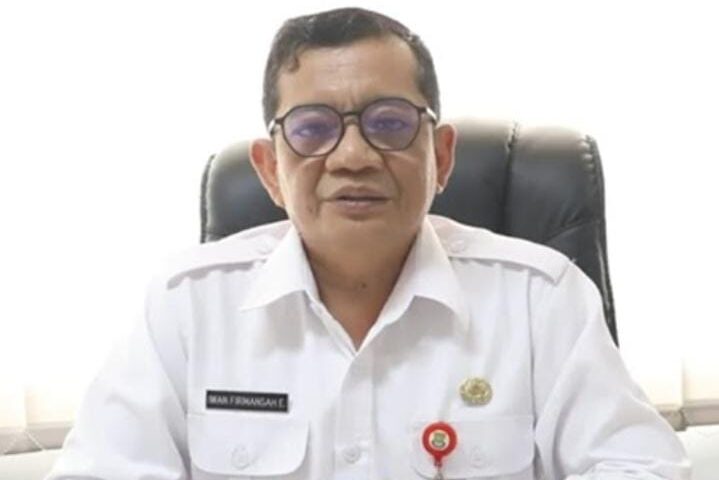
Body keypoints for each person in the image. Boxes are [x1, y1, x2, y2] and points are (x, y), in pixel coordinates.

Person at [46, 7, 690, 480]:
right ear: (270, 170)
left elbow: (640, 466)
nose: (353, 155)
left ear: (441, 156)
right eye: (313, 128)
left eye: (389, 123)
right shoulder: (187, 306)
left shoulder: (538, 297)